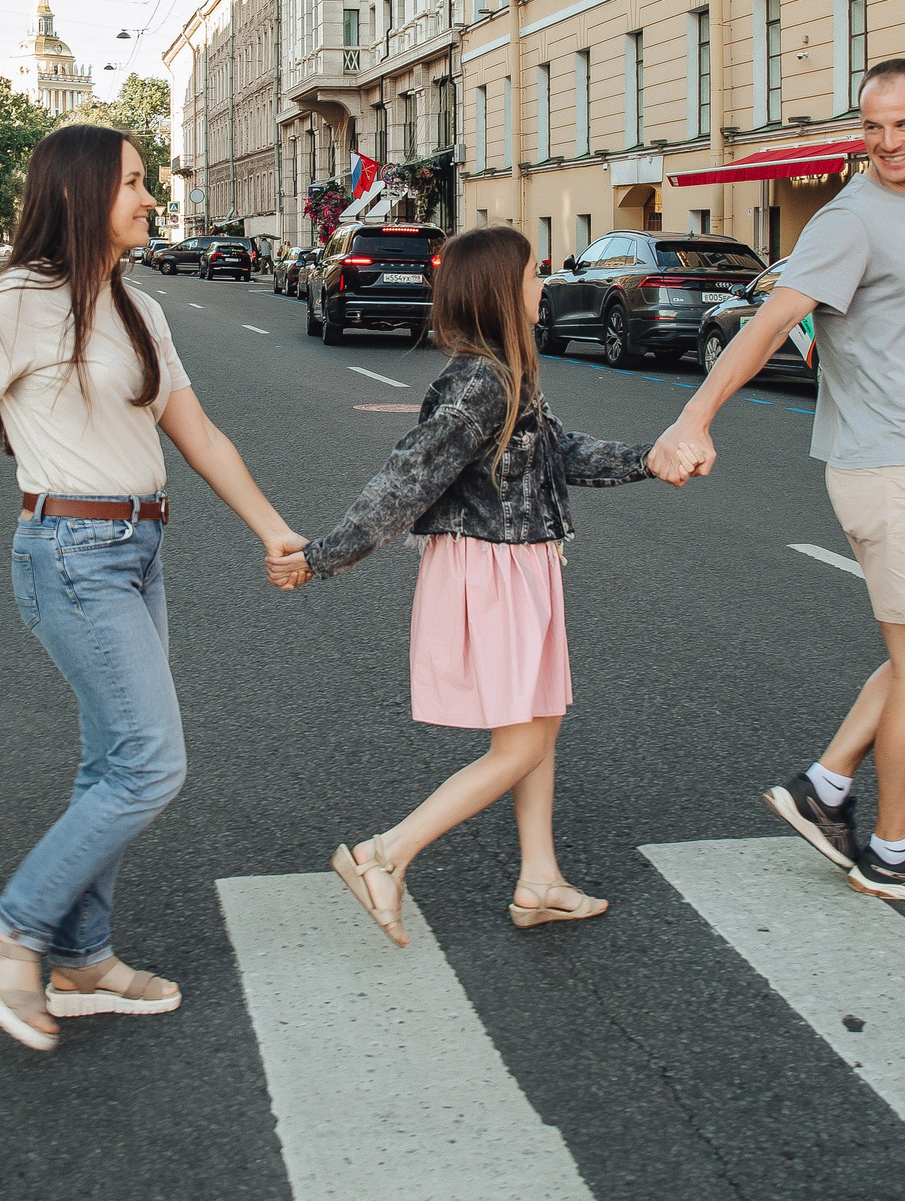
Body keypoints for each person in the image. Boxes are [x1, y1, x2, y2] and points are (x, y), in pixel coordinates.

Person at [0, 124, 305, 1051]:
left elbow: (200, 437)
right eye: (133, 183)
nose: (150, 197)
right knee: (153, 763)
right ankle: (12, 931)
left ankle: (81, 961)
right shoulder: (12, 303)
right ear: (82, 194)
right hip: (72, 554)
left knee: (112, 763)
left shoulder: (138, 309)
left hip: (138, 550)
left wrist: (273, 528)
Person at [270, 225, 684, 943]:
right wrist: (322, 556)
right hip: (491, 569)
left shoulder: (507, 370)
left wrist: (652, 457)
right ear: (500, 292)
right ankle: (384, 855)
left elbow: (558, 452)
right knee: (520, 744)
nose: (542, 286)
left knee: (540, 727)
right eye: (532, 276)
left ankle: (540, 878)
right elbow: (404, 483)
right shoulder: (479, 384)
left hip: (519, 561)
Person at [651, 57, 905, 906]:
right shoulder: (852, 220)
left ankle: (826, 786)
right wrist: (694, 419)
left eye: (903, 125)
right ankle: (893, 851)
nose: (887, 143)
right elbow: (771, 320)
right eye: (872, 127)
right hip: (891, 468)